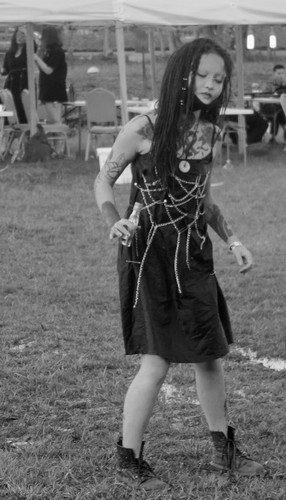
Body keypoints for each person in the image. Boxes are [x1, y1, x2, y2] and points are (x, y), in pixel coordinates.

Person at [94, 37, 265, 491]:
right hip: (149, 255)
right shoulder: (143, 128)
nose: (210, 85)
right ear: (182, 74)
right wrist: (114, 221)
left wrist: (233, 240)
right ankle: (129, 457)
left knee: (211, 357)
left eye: (219, 78)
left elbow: (201, 199)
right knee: (156, 362)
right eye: (202, 75)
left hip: (193, 256)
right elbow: (103, 179)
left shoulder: (208, 131)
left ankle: (224, 450)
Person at [0, 26, 37, 123]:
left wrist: (28, 33)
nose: (20, 37)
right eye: (18, 34)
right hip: (11, 84)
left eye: (23, 35)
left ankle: (27, 131)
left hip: (24, 82)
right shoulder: (10, 53)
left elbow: (34, 47)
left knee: (23, 106)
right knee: (10, 105)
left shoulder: (28, 50)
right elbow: (5, 70)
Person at [33, 26, 67, 124]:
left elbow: (49, 70)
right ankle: (54, 139)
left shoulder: (57, 51)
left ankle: (60, 138)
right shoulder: (48, 51)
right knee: (51, 121)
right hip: (47, 90)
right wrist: (37, 59)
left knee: (56, 120)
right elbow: (43, 69)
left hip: (54, 91)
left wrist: (37, 58)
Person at [261, 64, 286, 143]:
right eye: (279, 73)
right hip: (269, 106)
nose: (281, 75)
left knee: (281, 112)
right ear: (274, 74)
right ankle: (273, 136)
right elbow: (264, 95)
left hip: (281, 106)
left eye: (282, 73)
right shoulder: (269, 84)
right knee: (278, 113)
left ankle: (273, 137)